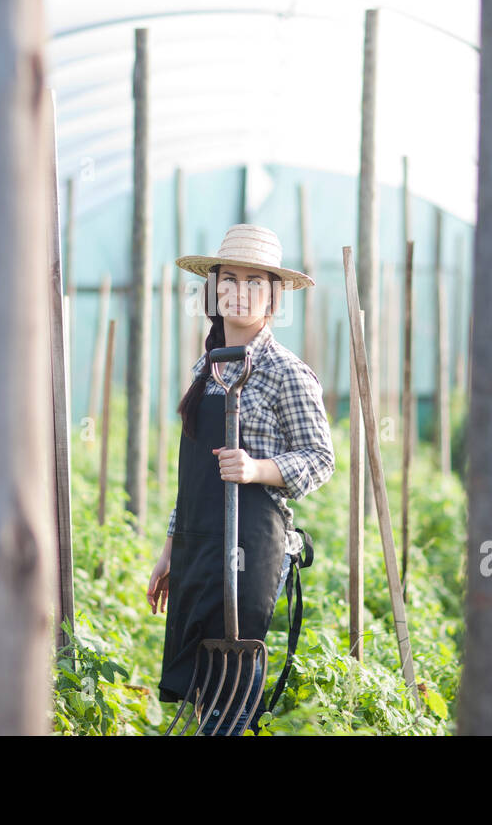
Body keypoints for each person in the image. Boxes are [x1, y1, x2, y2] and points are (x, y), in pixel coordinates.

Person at [148, 223, 335, 735]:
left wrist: (257, 469)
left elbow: (320, 457)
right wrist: (171, 547)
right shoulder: (205, 368)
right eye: (228, 278)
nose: (240, 291)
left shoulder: (285, 371)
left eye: (256, 281)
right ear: (213, 290)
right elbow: (193, 473)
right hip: (197, 537)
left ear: (274, 297)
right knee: (199, 676)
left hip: (251, 538)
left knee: (235, 662)